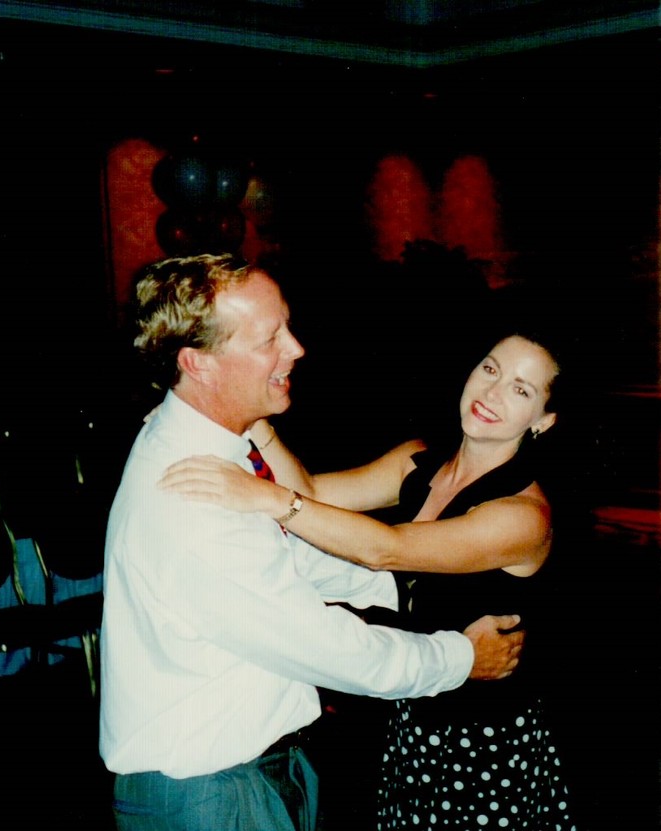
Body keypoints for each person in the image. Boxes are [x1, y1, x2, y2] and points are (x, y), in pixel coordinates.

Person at [100, 253, 526, 831]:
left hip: (247, 775)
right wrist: (462, 658)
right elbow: (332, 648)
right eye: (269, 339)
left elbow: (287, 557)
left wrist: (405, 593)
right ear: (199, 363)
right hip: (214, 793)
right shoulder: (192, 496)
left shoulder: (202, 449)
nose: (296, 349)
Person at [160, 329, 580, 830]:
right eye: (491, 369)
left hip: (484, 743)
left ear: (543, 420)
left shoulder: (523, 516)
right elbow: (313, 492)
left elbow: (386, 549)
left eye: (520, 389)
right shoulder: (420, 461)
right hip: (415, 714)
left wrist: (268, 498)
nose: (492, 393)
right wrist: (253, 418)